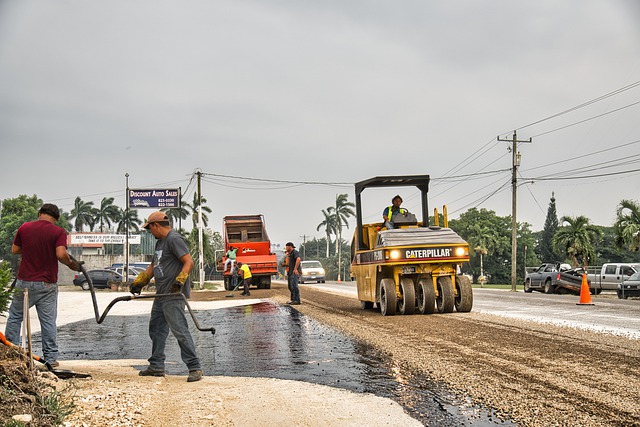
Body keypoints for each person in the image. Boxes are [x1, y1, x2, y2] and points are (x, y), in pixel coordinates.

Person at [130, 211, 203, 382]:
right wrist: (140, 282)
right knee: (156, 329)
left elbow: (189, 262)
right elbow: (153, 266)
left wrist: (179, 282)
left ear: (156, 225)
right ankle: (156, 365)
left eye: (150, 229)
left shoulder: (174, 239)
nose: (150, 232)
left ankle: (194, 367)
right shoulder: (160, 243)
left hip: (173, 294)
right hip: (161, 294)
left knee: (180, 331)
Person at [5, 203, 81, 367]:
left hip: (23, 282)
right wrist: (71, 264)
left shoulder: (25, 227)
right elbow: (60, 254)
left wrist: (31, 248)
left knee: (15, 317)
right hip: (46, 284)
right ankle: (51, 359)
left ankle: (11, 355)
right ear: (56, 219)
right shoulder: (58, 231)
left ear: (39, 213)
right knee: (47, 321)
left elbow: (14, 249)